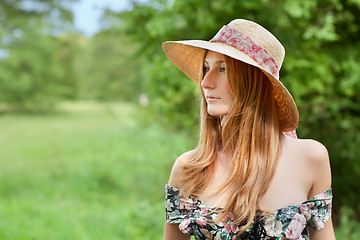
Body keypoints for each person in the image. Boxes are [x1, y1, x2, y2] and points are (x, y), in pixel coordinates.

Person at [162, 19, 334, 240]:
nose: (206, 82)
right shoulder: (189, 169)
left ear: (255, 81)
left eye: (222, 68)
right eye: (206, 68)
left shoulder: (311, 158)